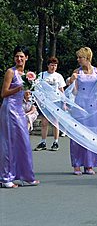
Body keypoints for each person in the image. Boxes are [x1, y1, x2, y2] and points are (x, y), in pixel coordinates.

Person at [0, 45, 40, 188]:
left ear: (27, 58)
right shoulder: (11, 72)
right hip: (9, 109)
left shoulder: (28, 74)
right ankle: (6, 178)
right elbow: (3, 93)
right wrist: (19, 88)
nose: (19, 59)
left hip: (19, 109)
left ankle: (26, 175)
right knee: (8, 143)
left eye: (22, 56)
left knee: (23, 141)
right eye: (17, 56)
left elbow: (23, 94)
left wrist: (26, 94)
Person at [67, 47, 97, 175]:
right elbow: (74, 91)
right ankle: (77, 164)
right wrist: (72, 81)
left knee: (92, 135)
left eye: (80, 57)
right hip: (80, 105)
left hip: (93, 106)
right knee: (78, 135)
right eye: (78, 57)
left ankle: (89, 164)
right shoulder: (77, 72)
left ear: (87, 58)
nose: (78, 60)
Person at [34, 57, 66, 151]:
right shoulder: (42, 75)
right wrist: (38, 99)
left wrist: (64, 102)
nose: (53, 67)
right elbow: (37, 87)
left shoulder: (58, 76)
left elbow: (61, 90)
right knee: (44, 123)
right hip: (45, 102)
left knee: (55, 122)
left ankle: (55, 142)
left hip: (56, 101)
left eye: (55, 66)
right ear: (48, 65)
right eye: (52, 65)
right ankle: (43, 141)